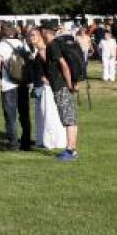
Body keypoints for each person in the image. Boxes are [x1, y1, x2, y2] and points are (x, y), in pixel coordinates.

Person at [42, 25, 80, 161]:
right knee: (71, 118)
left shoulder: (53, 45)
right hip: (63, 85)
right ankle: (72, 149)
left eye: (42, 31)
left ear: (46, 32)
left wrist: (69, 84)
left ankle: (70, 150)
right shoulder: (56, 44)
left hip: (62, 86)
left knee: (68, 119)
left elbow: (63, 65)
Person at [0, 25, 32, 151]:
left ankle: (13, 143)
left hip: (8, 84)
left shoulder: (1, 45)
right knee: (24, 114)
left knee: (10, 116)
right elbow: (29, 60)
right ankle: (26, 143)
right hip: (23, 83)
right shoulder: (22, 43)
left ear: (3, 32)